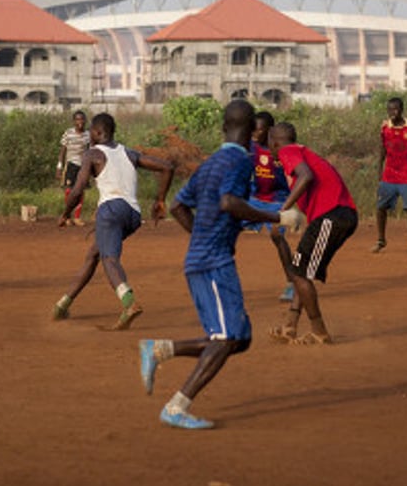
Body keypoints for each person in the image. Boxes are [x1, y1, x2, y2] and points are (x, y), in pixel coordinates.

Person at [138, 99, 305, 430]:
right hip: (212, 262)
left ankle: (160, 350)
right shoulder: (240, 162)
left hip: (207, 258)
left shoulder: (211, 162)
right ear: (253, 132)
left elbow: (177, 206)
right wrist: (279, 216)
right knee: (226, 337)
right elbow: (229, 202)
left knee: (239, 339)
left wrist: (203, 236)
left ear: (224, 127)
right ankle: (176, 406)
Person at [52, 112, 174, 330]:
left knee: (109, 259)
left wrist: (65, 213)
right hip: (133, 215)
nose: (89, 136)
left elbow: (78, 189)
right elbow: (167, 167)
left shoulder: (93, 154)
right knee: (94, 254)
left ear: (98, 133)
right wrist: (160, 200)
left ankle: (129, 303)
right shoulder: (128, 152)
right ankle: (62, 305)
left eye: (91, 132)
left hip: (111, 210)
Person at [269, 121, 358, 345]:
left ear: (275, 142)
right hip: (335, 217)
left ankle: (319, 331)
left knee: (299, 274)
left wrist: (284, 210)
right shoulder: (302, 151)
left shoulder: (287, 151)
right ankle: (290, 326)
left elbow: (305, 176)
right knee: (302, 272)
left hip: (333, 216)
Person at [243, 111, 296, 303]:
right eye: (253, 130)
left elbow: (296, 179)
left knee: (276, 235)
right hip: (254, 198)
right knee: (226, 223)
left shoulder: (283, 151)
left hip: (278, 200)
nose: (255, 134)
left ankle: (291, 283)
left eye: (259, 130)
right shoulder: (251, 147)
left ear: (271, 131)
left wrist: (291, 206)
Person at [373, 96, 407, 254]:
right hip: (389, 175)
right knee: (380, 208)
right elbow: (382, 150)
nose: (393, 112)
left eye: (396, 109)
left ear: (402, 110)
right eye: (390, 109)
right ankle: (381, 240)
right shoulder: (385, 127)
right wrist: (379, 171)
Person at [56, 110, 91, 227]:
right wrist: (59, 167)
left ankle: (77, 217)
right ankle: (67, 217)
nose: (80, 122)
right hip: (71, 165)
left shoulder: (88, 135)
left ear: (85, 121)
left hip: (83, 166)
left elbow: (89, 151)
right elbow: (62, 151)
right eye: (77, 119)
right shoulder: (68, 133)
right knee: (69, 191)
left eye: (82, 119)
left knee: (81, 191)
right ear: (74, 121)